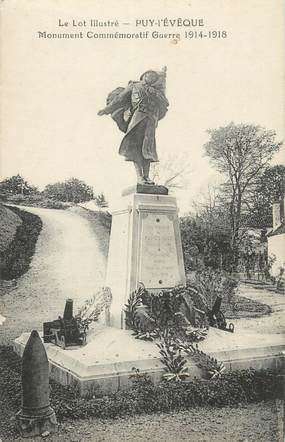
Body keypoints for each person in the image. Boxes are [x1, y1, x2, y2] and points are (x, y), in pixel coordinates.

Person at [98, 68, 169, 185]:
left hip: (150, 121)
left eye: (154, 77)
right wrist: (106, 110)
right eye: (150, 75)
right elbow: (119, 99)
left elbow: (164, 104)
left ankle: (147, 177)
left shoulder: (156, 92)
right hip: (137, 119)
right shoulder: (134, 86)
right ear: (144, 75)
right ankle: (140, 177)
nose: (152, 78)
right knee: (136, 149)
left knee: (148, 150)